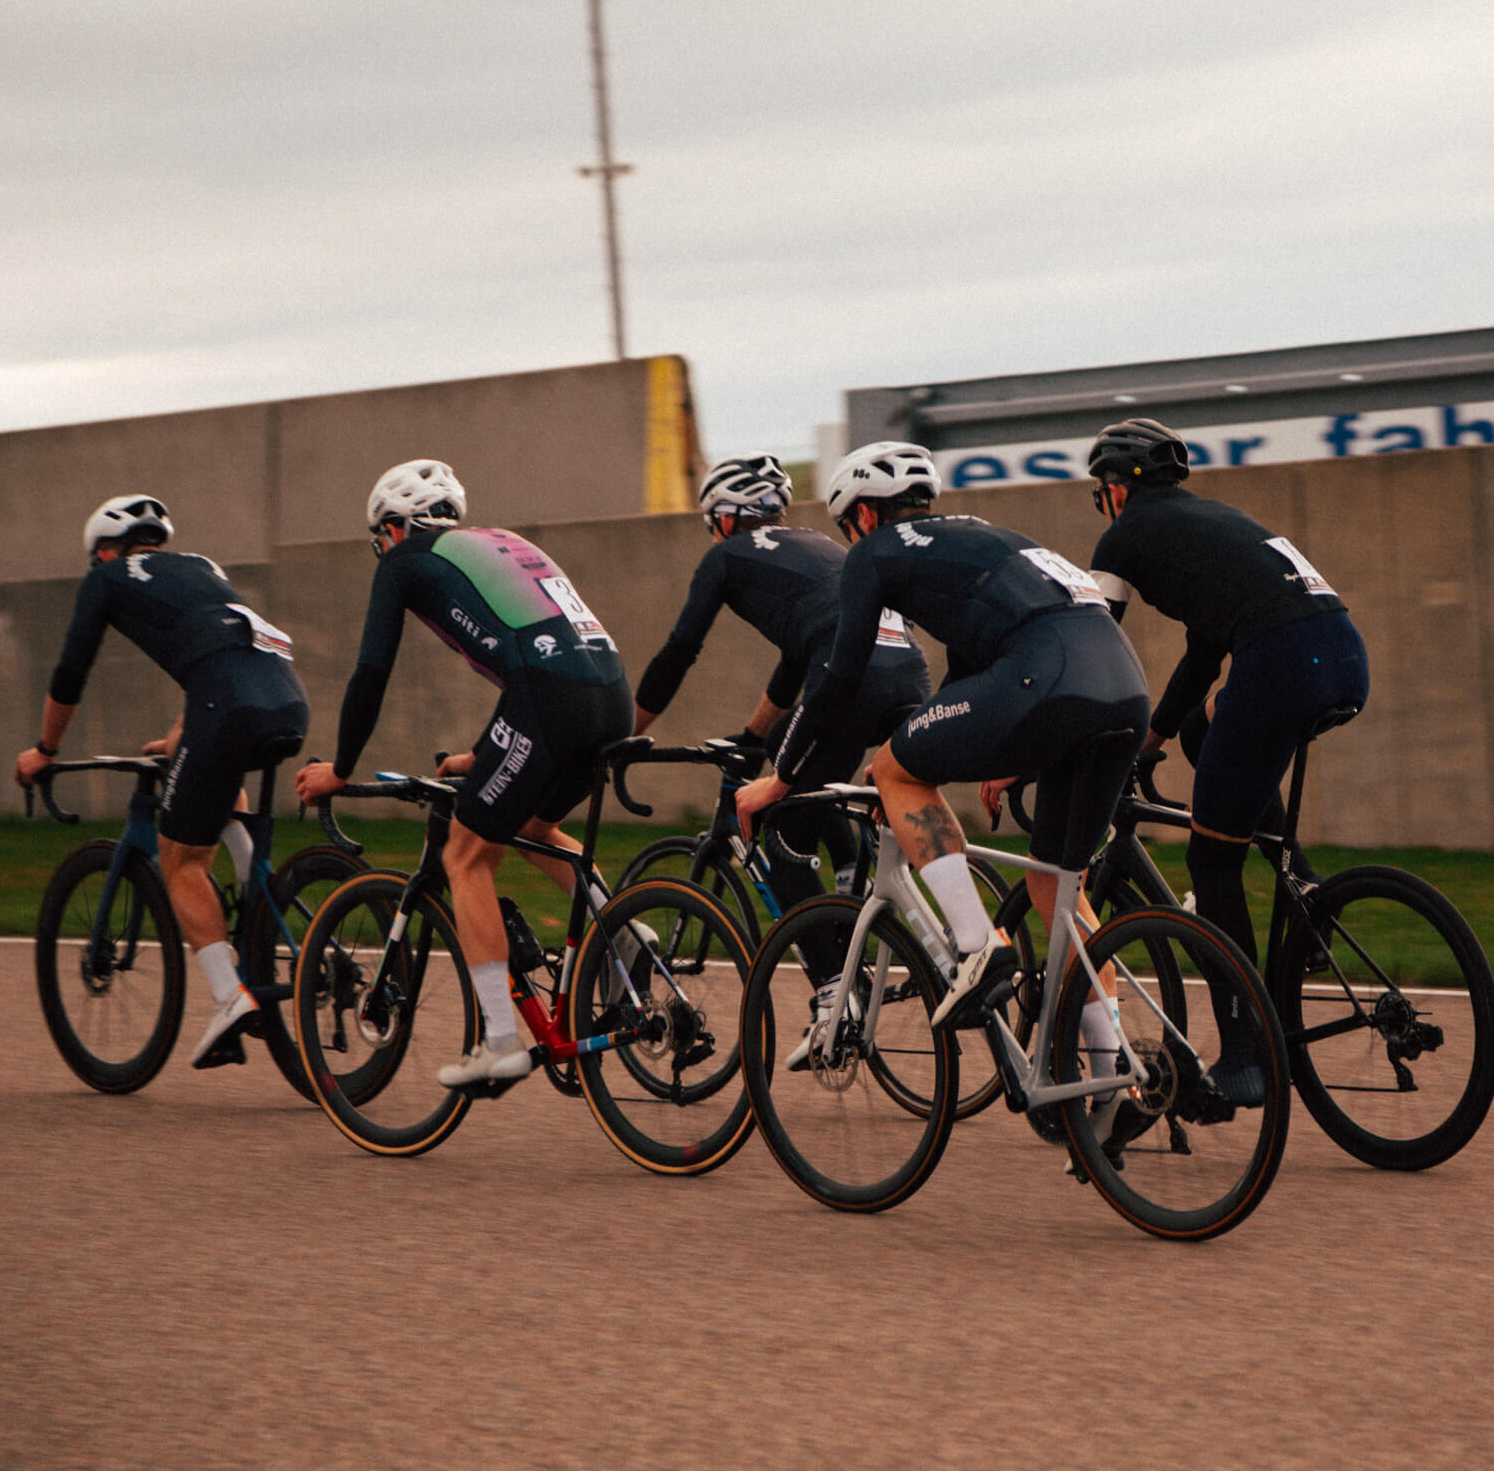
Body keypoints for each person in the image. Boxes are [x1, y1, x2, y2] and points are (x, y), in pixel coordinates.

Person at [732, 442, 1150, 1070]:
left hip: (1047, 679)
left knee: (896, 770)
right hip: (1124, 690)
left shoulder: (873, 551)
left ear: (863, 516)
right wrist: (910, 750)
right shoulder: (978, 534)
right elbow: (962, 675)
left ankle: (978, 944)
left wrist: (780, 779)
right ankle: (1112, 1076)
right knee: (1057, 887)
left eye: (847, 527)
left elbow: (838, 680)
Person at [294, 460, 631, 1090]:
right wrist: (482, 757)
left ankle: (499, 1043)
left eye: (380, 538)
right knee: (533, 826)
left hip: (547, 700)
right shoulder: (502, 544)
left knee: (466, 856)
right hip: (611, 699)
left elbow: (371, 672)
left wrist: (340, 768)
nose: (382, 549)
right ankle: (626, 937)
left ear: (395, 528)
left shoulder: (404, 561)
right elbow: (542, 654)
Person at [1084, 418, 1369, 1103]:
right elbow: (1203, 658)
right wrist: (1152, 740)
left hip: (1280, 666)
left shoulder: (1123, 537)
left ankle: (1246, 1056)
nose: (1103, 503)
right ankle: (1305, 887)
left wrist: (1082, 737)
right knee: (1201, 734)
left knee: (1212, 864)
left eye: (1101, 492)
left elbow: (1088, 641)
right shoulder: (1216, 521)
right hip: (1344, 657)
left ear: (1117, 489)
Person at [13, 496, 310, 1069]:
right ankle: (260, 906)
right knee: (220, 787)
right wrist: (182, 732)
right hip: (285, 699)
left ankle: (229, 997)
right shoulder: (200, 568)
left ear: (104, 551)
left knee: (181, 860)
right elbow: (223, 651)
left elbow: (71, 672)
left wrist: (45, 751)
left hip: (224, 706)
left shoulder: (106, 579)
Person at [633, 454, 930, 907]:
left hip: (848, 682)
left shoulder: (726, 555)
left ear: (726, 519)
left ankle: (824, 953)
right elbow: (796, 661)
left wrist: (629, 734)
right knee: (785, 746)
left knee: (782, 832)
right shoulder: (814, 542)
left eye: (711, 523)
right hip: (909, 674)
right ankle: (849, 879)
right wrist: (753, 737)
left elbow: (678, 653)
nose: (712, 533)